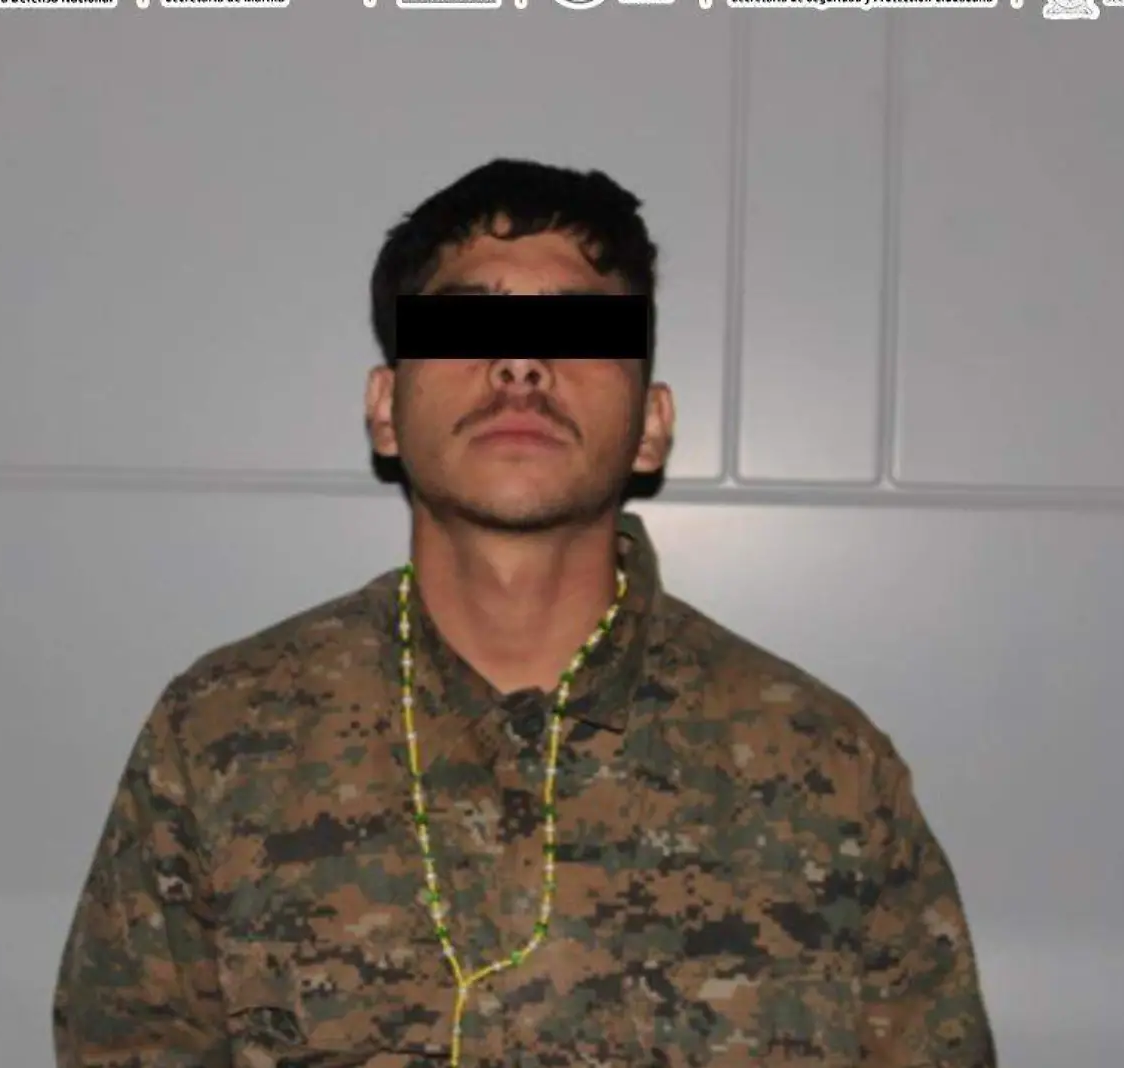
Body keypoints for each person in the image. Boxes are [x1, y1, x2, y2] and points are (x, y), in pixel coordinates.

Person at [53, 159, 997, 1068]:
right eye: (466, 327)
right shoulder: (223, 736)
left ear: (652, 424)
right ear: (385, 408)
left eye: (579, 331)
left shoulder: (823, 771)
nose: (519, 365)